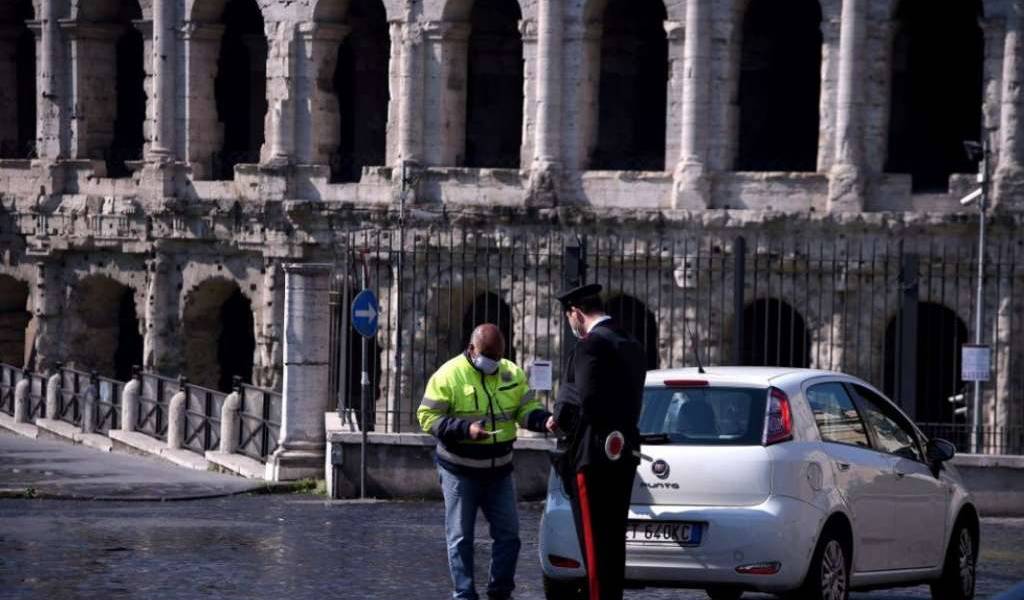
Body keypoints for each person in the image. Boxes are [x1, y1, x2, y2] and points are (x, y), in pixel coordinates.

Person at [418, 323, 556, 600]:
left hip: (499, 472)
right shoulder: (448, 375)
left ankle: (500, 592)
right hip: (459, 471)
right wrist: (464, 430)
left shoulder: (511, 372)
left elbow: (525, 409)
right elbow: (427, 418)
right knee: (460, 538)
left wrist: (545, 420)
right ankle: (464, 594)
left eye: (498, 355)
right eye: (488, 354)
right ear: (472, 349)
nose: (493, 361)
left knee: (509, 537)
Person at [551, 283, 647, 600]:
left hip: (591, 454)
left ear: (576, 312)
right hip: (623, 451)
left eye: (569, 318)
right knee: (612, 545)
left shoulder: (590, 346)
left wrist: (560, 421)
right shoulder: (630, 342)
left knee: (594, 548)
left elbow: (586, 401)